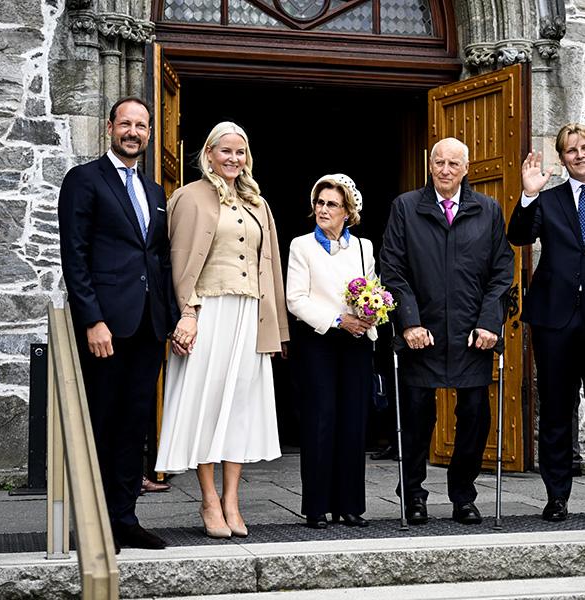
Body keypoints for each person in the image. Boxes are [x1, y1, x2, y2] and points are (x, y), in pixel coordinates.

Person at [154, 122, 289, 539]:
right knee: (207, 405)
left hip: (249, 315)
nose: (234, 159)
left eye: (241, 152)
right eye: (226, 151)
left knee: (239, 409)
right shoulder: (188, 196)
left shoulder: (257, 202)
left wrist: (277, 329)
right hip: (208, 312)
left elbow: (273, 268)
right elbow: (175, 261)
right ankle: (209, 498)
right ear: (209, 153)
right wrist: (187, 315)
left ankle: (232, 500)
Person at [58, 95, 178, 551]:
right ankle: (92, 523)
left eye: (142, 126)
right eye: (125, 123)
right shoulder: (84, 180)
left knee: (134, 426)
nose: (134, 132)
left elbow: (159, 260)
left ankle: (124, 519)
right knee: (101, 425)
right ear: (109, 127)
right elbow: (75, 255)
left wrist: (169, 319)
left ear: (149, 133)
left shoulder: (154, 192)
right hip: (106, 328)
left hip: (148, 327)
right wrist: (92, 319)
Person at [506, 123, 585, 523]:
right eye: (570, 150)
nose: (579, 155)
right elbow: (518, 236)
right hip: (554, 320)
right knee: (557, 411)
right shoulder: (547, 200)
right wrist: (528, 195)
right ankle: (557, 495)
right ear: (561, 159)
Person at [380, 137, 514, 525]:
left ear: (466, 168)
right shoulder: (406, 207)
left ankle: (463, 496)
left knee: (474, 415)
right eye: (438, 162)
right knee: (417, 416)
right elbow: (393, 270)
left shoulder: (487, 210)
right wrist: (409, 322)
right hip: (423, 333)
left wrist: (490, 323)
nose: (444, 169)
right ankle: (414, 495)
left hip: (472, 335)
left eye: (453, 164)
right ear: (430, 165)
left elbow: (502, 272)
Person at [286, 174, 376, 530]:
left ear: (347, 212)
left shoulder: (363, 247)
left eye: (331, 204)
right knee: (320, 422)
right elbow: (296, 299)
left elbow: (371, 288)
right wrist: (338, 320)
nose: (323, 209)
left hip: (356, 342)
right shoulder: (301, 246)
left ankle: (350, 505)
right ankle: (317, 507)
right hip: (319, 340)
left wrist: (371, 314)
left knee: (354, 423)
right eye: (319, 203)